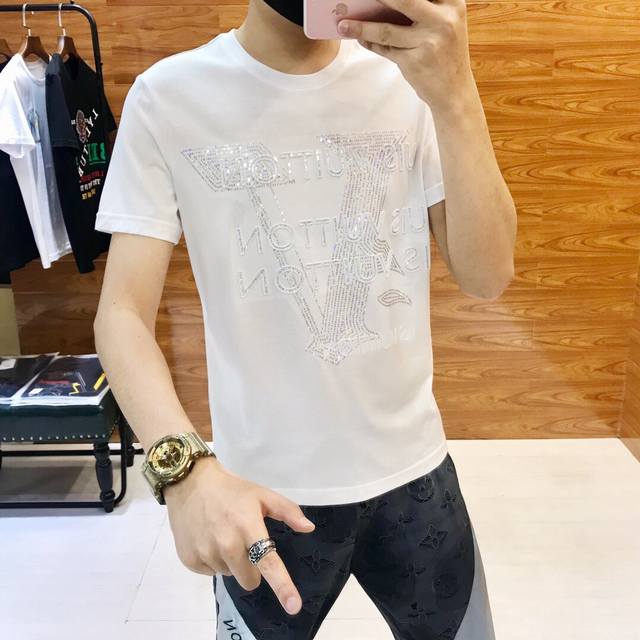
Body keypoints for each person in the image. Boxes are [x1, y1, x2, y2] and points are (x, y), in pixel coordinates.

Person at [93, 0, 516, 638]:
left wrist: (456, 94)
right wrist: (185, 473)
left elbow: (487, 275)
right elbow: (122, 314)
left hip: (414, 472)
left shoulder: (408, 78)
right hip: (260, 494)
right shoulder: (169, 96)